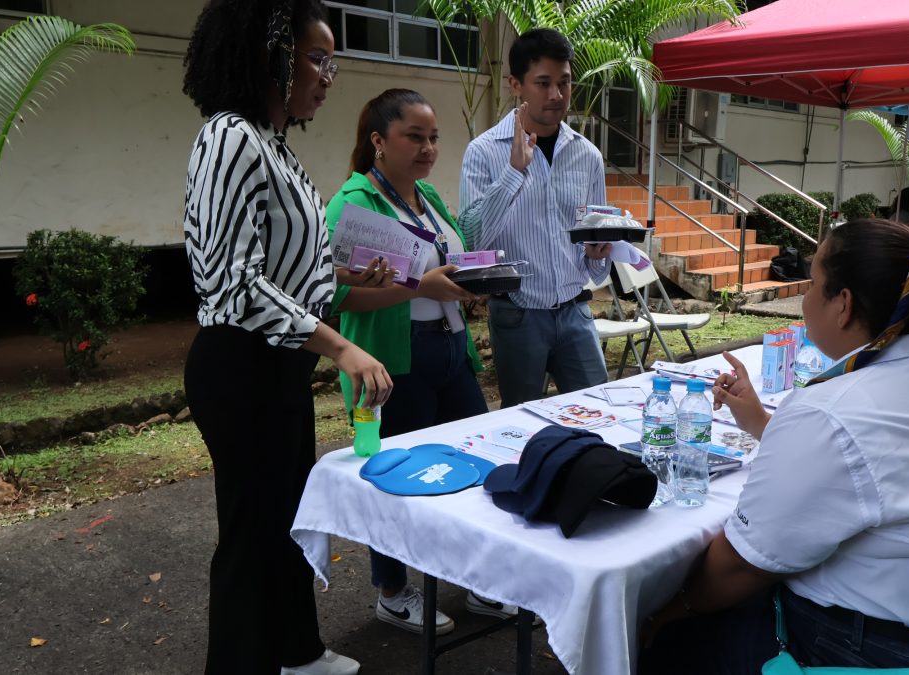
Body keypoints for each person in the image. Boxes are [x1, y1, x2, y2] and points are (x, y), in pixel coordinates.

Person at [639, 220, 909, 673]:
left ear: (843, 304)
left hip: (894, 653)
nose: (804, 298)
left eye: (814, 283)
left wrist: (661, 613)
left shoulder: (831, 409)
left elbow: (740, 566)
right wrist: (760, 421)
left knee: (674, 644)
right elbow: (876, 468)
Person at [182, 2, 392, 673]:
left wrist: (341, 271)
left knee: (285, 520)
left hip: (275, 363)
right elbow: (233, 284)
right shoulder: (230, 138)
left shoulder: (272, 143)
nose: (329, 75)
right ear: (271, 53)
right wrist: (340, 344)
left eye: (332, 60)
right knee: (249, 533)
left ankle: (296, 651)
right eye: (317, 57)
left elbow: (280, 264)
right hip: (239, 365)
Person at [325, 88, 519, 635]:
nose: (428, 147)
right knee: (398, 481)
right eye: (415, 136)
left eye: (433, 137)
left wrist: (468, 280)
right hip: (393, 362)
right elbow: (332, 298)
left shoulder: (428, 197)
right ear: (378, 142)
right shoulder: (354, 203)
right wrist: (418, 288)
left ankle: (479, 583)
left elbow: (447, 260)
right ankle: (392, 592)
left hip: (449, 350)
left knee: (474, 465)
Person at [459, 28, 613, 407]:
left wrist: (599, 253)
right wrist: (514, 172)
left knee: (600, 412)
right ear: (516, 84)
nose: (556, 95)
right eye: (543, 83)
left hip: (576, 310)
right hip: (517, 314)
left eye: (564, 82)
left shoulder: (587, 155)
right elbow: (472, 239)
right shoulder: (483, 152)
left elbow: (596, 248)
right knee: (520, 424)